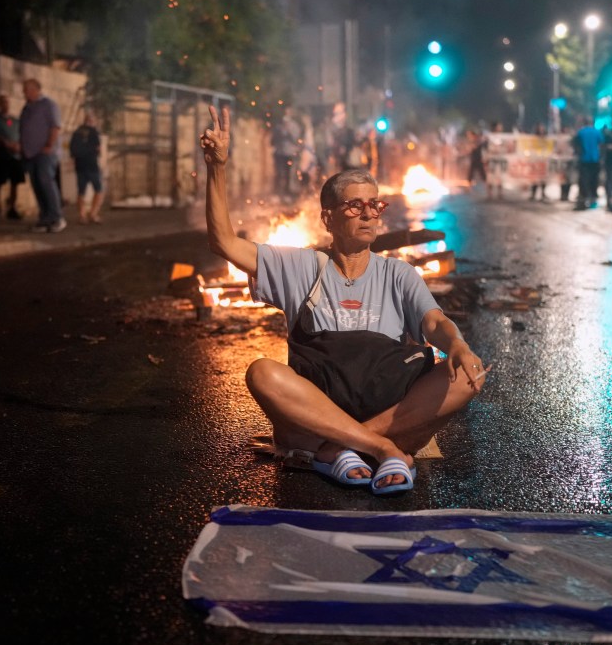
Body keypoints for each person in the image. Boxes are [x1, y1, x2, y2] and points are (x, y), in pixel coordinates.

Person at [200, 105, 488, 495]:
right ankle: (382, 449)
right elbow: (223, 241)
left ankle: (339, 447)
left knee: (469, 375)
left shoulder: (397, 273)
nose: (368, 214)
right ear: (328, 218)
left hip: (383, 411)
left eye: (375, 205)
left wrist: (457, 344)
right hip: (322, 415)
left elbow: (434, 322)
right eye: (355, 205)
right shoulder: (299, 265)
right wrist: (217, 167)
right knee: (261, 372)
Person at [20, 78, 66, 233]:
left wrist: (49, 145)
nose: (24, 92)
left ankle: (57, 217)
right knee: (37, 185)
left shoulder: (48, 105)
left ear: (36, 89)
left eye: (27, 89)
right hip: (30, 153)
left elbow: (55, 126)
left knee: (46, 183)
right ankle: (45, 217)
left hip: (45, 153)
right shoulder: (27, 108)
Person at [69, 111, 104, 224]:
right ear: (92, 121)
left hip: (80, 166)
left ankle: (82, 215)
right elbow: (98, 148)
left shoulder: (76, 132)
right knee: (98, 190)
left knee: (81, 191)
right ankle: (93, 213)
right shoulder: (94, 132)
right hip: (92, 165)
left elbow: (72, 150)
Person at [573, 116, 602, 210]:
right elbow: (601, 144)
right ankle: (593, 199)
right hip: (595, 159)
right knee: (594, 179)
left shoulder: (581, 132)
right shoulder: (597, 132)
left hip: (584, 159)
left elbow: (575, 143)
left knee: (584, 180)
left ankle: (584, 197)